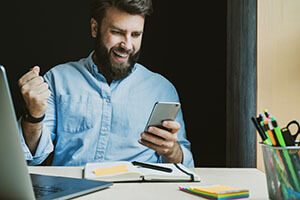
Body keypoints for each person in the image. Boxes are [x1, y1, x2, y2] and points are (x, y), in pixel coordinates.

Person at [17, 0, 194, 167]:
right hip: (74, 192)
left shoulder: (161, 89)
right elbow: (33, 158)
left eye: (136, 34)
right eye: (117, 32)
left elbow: (186, 167)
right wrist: (34, 116)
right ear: (95, 28)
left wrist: (171, 152)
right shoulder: (58, 80)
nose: (127, 45)